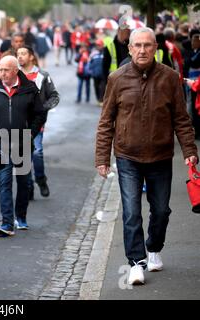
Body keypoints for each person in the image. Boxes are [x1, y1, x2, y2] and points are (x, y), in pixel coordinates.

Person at [95, 27, 198, 286]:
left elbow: (182, 120)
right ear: (129, 49)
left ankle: (153, 248)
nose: (142, 50)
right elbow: (106, 121)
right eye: (137, 45)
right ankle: (136, 262)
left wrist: (190, 151)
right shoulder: (116, 79)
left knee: (161, 210)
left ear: (156, 49)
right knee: (131, 212)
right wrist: (102, 157)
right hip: (127, 155)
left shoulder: (170, 78)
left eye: (147, 45)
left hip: (161, 156)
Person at [0, 55, 46, 236]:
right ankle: (7, 223)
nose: (2, 74)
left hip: (22, 143)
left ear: (15, 71)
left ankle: (21, 216)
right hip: (1, 143)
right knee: (4, 182)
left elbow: (39, 114)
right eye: (0, 70)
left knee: (24, 182)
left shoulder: (29, 89)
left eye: (6, 70)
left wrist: (31, 133)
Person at [17, 45, 60, 200]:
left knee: (36, 152)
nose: (20, 57)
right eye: (18, 54)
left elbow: (54, 96)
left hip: (36, 123)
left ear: (31, 57)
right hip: (19, 123)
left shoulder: (42, 75)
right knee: (23, 156)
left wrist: (43, 109)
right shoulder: (15, 75)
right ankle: (28, 186)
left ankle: (41, 180)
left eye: (23, 54)